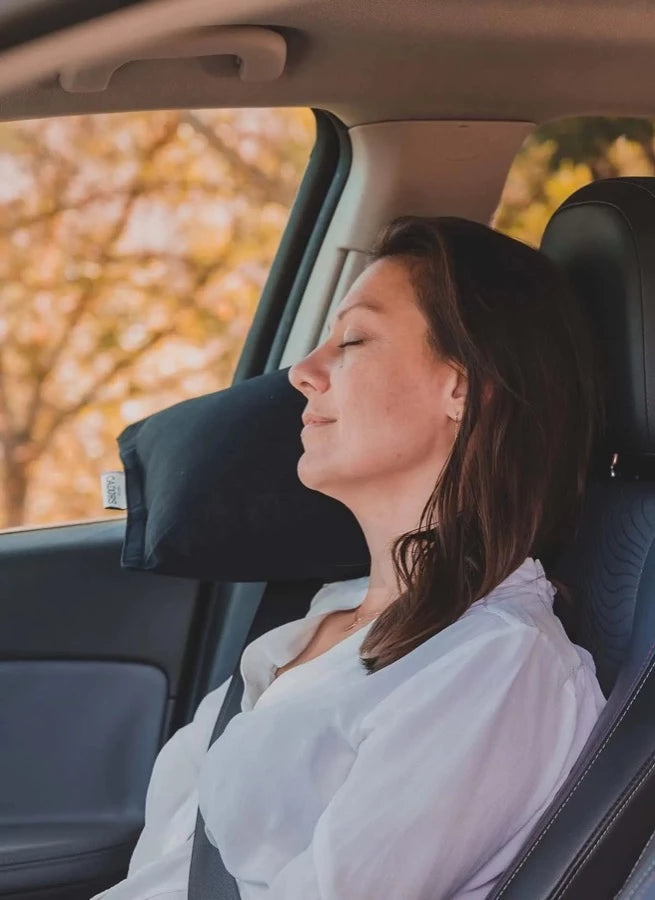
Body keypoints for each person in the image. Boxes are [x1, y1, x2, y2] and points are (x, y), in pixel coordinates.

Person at [93, 216, 607, 900]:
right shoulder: (332, 612)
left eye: (353, 340)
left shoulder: (493, 664)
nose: (303, 373)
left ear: (462, 388)